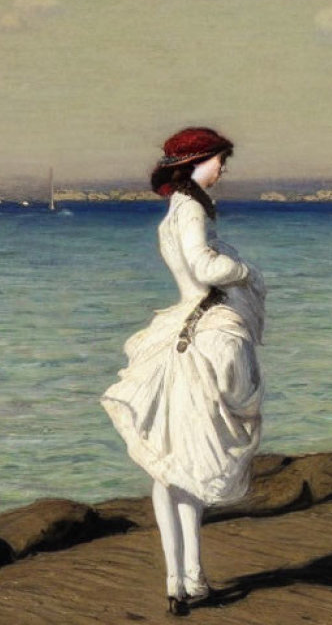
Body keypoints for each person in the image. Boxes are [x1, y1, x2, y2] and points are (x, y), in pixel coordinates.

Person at [102, 127, 266, 615]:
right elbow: (203, 267)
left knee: (171, 468)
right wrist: (244, 270)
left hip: (179, 336)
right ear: (198, 162)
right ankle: (188, 579)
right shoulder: (193, 209)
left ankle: (182, 582)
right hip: (204, 336)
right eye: (220, 161)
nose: (223, 171)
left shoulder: (174, 211)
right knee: (188, 464)